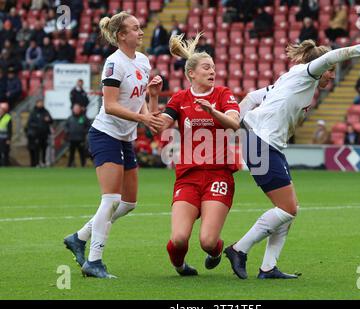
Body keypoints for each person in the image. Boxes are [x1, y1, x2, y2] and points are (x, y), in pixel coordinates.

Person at [224, 37, 360, 279]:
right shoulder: (307, 73)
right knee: (287, 208)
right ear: (320, 66)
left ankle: (268, 267)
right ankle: (239, 249)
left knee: (291, 209)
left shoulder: (292, 81)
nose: (332, 76)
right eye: (330, 71)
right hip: (260, 142)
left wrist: (238, 127)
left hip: (265, 143)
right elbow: (331, 57)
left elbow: (250, 97)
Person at [63, 11, 164, 279]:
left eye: (140, 27)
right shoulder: (113, 63)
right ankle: (94, 261)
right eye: (135, 28)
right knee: (111, 199)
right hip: (105, 134)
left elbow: (138, 97)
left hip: (125, 138)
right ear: (121, 35)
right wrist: (142, 117)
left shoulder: (143, 61)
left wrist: (150, 103)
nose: (141, 32)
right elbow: (110, 105)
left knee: (129, 203)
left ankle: (79, 237)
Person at [152, 32, 241, 276]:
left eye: (213, 67)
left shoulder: (222, 94)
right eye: (206, 67)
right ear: (192, 73)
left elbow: (234, 123)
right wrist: (152, 97)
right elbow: (159, 127)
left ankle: (216, 251)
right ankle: (180, 266)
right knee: (179, 238)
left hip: (218, 175)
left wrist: (212, 111)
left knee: (208, 242)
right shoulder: (180, 98)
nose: (212, 71)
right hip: (188, 176)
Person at [25, 99, 53, 167]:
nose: (41, 104)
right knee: (36, 149)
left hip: (45, 134)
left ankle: (43, 162)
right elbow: (29, 123)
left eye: (42, 103)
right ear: (37, 103)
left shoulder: (46, 112)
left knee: (44, 148)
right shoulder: (33, 112)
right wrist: (38, 126)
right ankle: (36, 163)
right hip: (36, 135)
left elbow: (51, 120)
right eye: (39, 103)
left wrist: (48, 120)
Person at [0, 102, 12, 166]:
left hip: (4, 138)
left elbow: (9, 130)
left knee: (4, 153)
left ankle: (5, 165)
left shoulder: (8, 117)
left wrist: (8, 139)